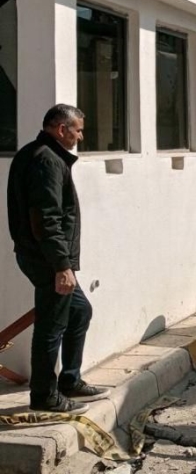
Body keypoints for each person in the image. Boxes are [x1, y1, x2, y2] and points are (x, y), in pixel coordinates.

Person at [7, 104, 109, 415]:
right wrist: (62, 266)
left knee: (79, 312)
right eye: (77, 129)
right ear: (61, 129)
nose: (80, 136)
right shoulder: (46, 161)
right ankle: (44, 395)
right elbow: (46, 219)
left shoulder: (41, 155)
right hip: (47, 260)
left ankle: (69, 380)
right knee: (51, 326)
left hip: (46, 257)